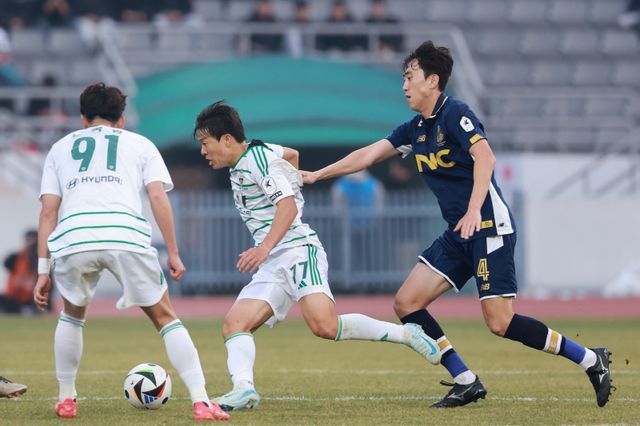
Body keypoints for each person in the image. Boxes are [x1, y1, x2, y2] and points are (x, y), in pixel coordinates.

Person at [301, 41, 612, 408]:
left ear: (432, 81)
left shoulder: (455, 113)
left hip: (489, 227)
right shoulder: (414, 129)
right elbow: (368, 155)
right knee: (407, 303)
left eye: (410, 77)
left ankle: (590, 359)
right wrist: (317, 174)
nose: (404, 85)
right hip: (459, 232)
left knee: (499, 322)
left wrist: (474, 209)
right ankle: (465, 380)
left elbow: (486, 157)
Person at [193, 100, 441, 412]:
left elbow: (287, 207)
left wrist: (265, 246)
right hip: (274, 262)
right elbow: (292, 154)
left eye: (206, 143)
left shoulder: (257, 162)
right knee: (235, 324)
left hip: (298, 251)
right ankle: (243, 390)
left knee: (325, 326)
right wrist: (292, 183)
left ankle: (406, 333)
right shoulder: (257, 151)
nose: (203, 151)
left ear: (227, 139)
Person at [33, 83, 229, 421]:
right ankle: (201, 402)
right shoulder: (140, 144)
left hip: (76, 237)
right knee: (165, 317)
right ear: (121, 120)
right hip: (124, 234)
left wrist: (42, 271)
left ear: (83, 119)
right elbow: (157, 197)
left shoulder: (60, 148)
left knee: (71, 316)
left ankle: (66, 399)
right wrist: (173, 252)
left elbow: (48, 211)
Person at [1, 230, 39, 314]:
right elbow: (6, 264)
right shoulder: (16, 257)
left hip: (30, 300)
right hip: (12, 298)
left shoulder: (39, 261)